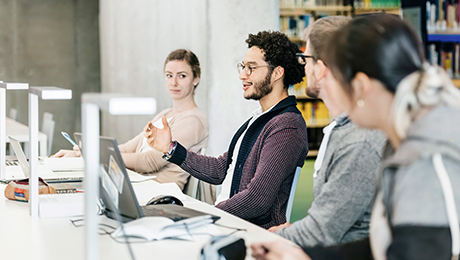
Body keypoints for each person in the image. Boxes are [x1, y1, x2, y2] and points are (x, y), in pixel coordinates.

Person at [252, 13, 460, 260]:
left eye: (337, 80)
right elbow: (384, 244)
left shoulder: (423, 159)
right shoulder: (403, 139)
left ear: (360, 86)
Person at [145, 30, 308, 229]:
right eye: (243, 67)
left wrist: (206, 215)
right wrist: (170, 148)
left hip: (246, 231)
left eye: (251, 68)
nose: (242, 75)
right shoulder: (260, 119)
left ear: (277, 73)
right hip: (228, 222)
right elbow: (221, 169)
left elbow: (257, 199)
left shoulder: (286, 126)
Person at [269, 16, 386, 248]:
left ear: (320, 68)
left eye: (306, 57)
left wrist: (262, 239)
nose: (303, 65)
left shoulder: (359, 141)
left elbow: (320, 234)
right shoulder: (343, 128)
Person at [54, 49, 209, 190]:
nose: (174, 82)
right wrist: (84, 152)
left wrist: (95, 155)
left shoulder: (194, 120)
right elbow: (129, 148)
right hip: (138, 184)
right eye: (169, 75)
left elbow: (149, 162)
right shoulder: (165, 114)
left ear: (196, 79)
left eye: (182, 76)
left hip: (158, 192)